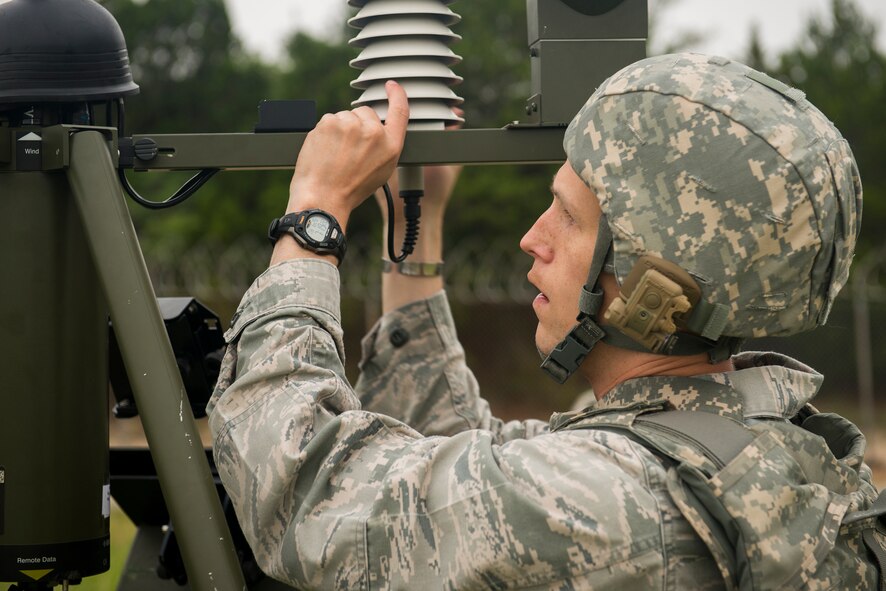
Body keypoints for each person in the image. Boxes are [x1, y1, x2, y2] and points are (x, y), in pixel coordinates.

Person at [207, 53, 884, 589]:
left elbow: (310, 492)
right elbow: (468, 481)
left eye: (568, 215)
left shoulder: (605, 502)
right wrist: (418, 220)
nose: (534, 237)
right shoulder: (748, 443)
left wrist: (314, 216)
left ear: (653, 281)